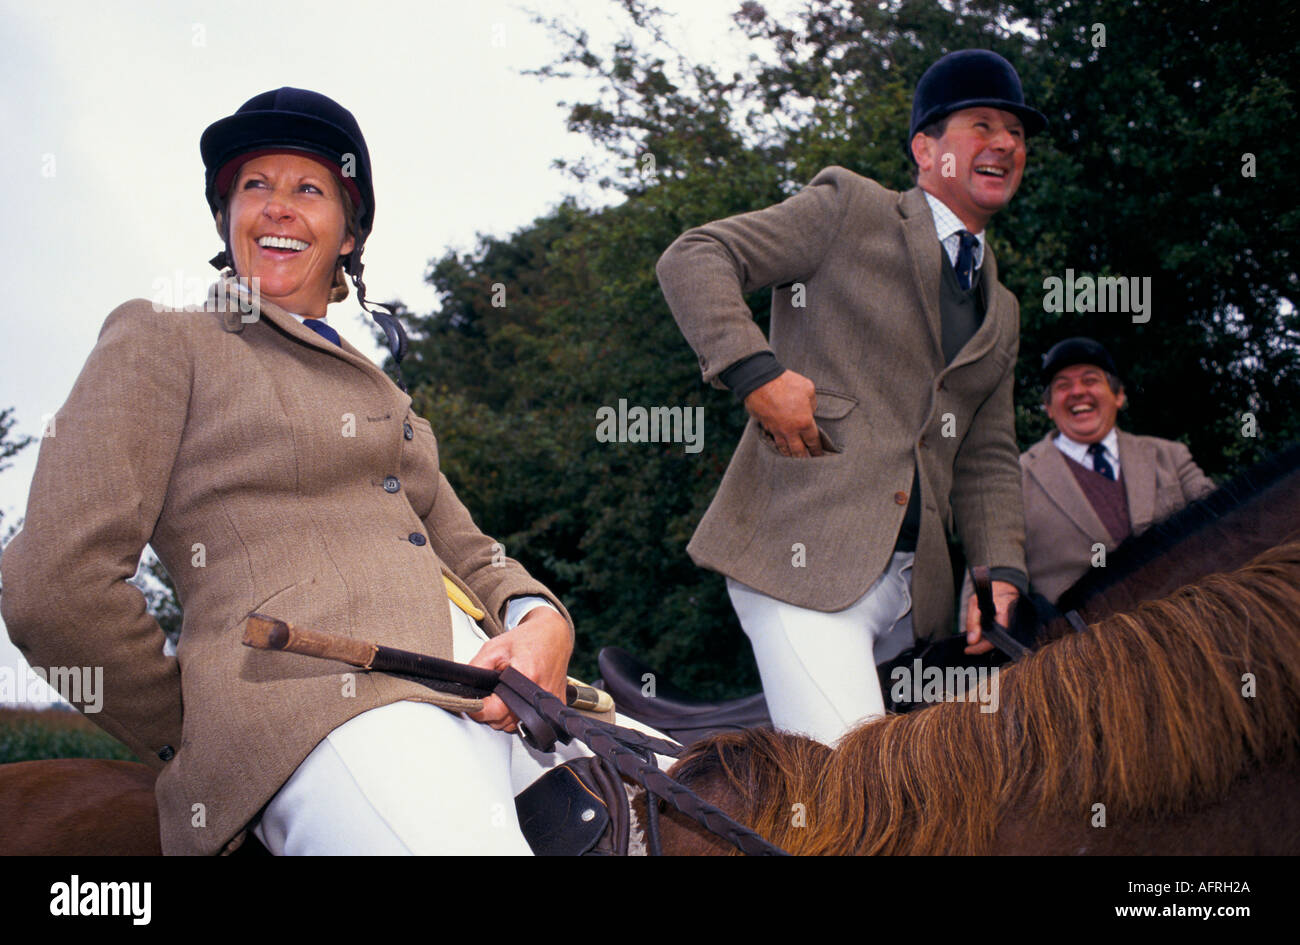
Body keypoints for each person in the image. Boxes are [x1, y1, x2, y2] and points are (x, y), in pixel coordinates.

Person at [0, 88, 620, 855]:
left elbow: (471, 549)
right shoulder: (163, 337)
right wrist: (203, 727)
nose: (278, 207)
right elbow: (54, 587)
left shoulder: (384, 389)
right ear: (227, 220)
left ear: (348, 235)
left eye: (309, 189)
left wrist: (541, 621)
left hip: (509, 702)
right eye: (254, 186)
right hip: (328, 712)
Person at [656, 50, 1045, 745]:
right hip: (802, 567)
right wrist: (757, 372)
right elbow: (695, 255)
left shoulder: (1003, 307)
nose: (1006, 144)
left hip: (916, 604)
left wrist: (999, 575)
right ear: (925, 148)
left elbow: (986, 457)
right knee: (865, 801)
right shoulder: (850, 208)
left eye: (1016, 134)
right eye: (982, 125)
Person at [1019, 337, 1216, 604]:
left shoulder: (1171, 456)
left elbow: (1222, 530)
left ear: (1119, 396)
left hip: (1187, 628)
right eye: (1062, 386)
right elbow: (991, 573)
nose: (1077, 392)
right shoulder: (1016, 477)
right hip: (1078, 641)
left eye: (1090, 380)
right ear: (1048, 407)